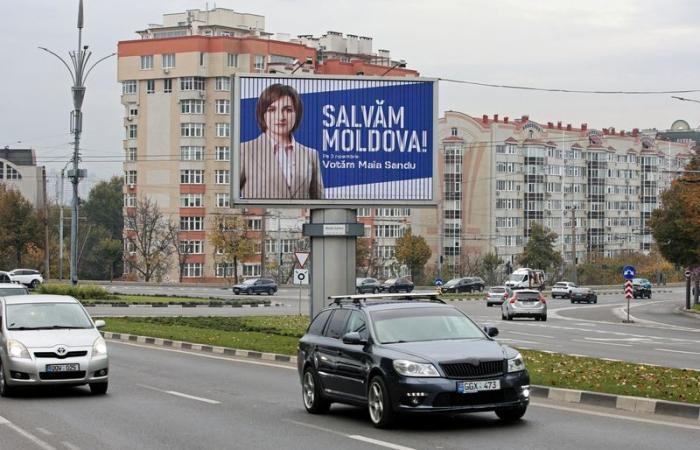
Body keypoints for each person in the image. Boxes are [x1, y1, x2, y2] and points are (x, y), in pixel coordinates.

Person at [240, 84, 324, 200]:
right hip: (262, 217)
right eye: (272, 110)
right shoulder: (244, 150)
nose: (280, 117)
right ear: (262, 114)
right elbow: (230, 196)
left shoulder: (311, 155)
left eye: (288, 110)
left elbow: (319, 201)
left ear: (297, 113)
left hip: (301, 218)